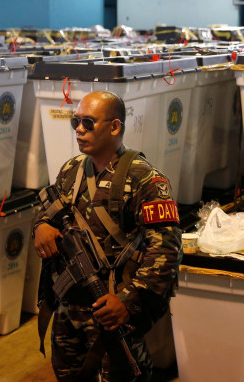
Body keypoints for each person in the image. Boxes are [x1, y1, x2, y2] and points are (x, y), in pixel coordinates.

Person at [33, 90, 183, 382]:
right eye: (75, 121)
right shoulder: (70, 171)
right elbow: (46, 206)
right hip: (68, 308)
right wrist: (41, 225)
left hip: (111, 310)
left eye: (88, 123)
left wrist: (129, 301)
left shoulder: (145, 179)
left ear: (114, 127)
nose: (78, 129)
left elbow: (166, 251)